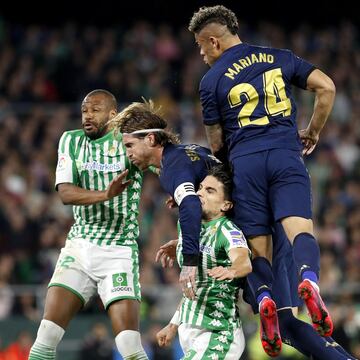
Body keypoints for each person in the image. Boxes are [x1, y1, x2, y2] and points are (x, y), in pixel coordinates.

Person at [188, 5, 336, 356]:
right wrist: (312, 132)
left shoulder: (210, 81)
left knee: (256, 248)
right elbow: (326, 87)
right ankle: (309, 280)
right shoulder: (278, 57)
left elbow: (216, 142)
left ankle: (266, 296)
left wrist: (225, 174)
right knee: (300, 231)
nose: (201, 53)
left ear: (213, 40)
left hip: (245, 164)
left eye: (200, 46)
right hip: (286, 155)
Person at [28, 89, 149, 360]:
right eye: (84, 110)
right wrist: (106, 194)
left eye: (95, 110)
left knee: (129, 346)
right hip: (80, 247)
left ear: (112, 114)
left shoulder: (129, 143)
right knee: (45, 338)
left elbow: (162, 164)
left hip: (118, 250)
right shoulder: (70, 140)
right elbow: (65, 193)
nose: (87, 116)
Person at [112, 99, 221, 299]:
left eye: (130, 145)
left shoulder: (172, 167)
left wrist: (189, 261)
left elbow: (190, 205)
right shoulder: (187, 151)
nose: (128, 154)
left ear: (151, 139)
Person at [156, 166, 252, 359]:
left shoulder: (227, 231)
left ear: (226, 205)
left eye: (210, 190)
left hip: (218, 333)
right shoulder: (188, 226)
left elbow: (244, 261)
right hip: (190, 331)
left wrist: (232, 271)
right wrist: (174, 324)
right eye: (200, 188)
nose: (199, 193)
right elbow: (193, 284)